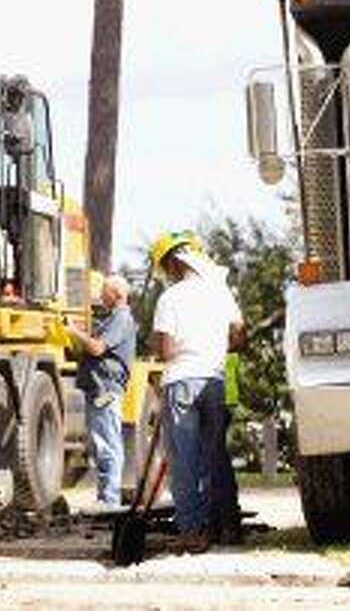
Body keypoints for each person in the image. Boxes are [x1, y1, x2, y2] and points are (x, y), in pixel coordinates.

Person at [150, 231, 245, 554]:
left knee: (184, 460)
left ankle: (193, 530)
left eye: (166, 268)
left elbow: (165, 349)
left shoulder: (170, 298)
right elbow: (238, 335)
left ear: (174, 263)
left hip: (182, 381)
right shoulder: (221, 293)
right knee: (215, 454)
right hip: (216, 380)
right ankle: (228, 525)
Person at [67, 273, 137, 510]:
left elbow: (97, 348)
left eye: (104, 291)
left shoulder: (121, 319)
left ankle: (109, 500)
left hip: (105, 388)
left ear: (117, 294)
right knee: (102, 443)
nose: (100, 295)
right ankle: (106, 497)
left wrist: (74, 331)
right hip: (99, 386)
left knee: (106, 444)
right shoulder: (112, 319)